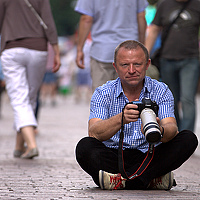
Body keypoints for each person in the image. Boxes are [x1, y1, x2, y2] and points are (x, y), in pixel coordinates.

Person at [75, 40, 198, 190]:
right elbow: (94, 132)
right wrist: (120, 119)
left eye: (137, 64)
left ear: (147, 65)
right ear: (115, 67)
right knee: (84, 147)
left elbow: (172, 128)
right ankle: (149, 179)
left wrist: (160, 130)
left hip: (150, 154)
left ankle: (119, 180)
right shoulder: (103, 92)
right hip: (115, 155)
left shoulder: (161, 90)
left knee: (188, 138)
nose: (132, 70)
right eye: (125, 65)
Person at [0, 0, 61, 159]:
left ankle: (32, 145)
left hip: (12, 48)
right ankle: (19, 146)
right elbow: (48, 21)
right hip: (38, 49)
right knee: (30, 97)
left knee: (19, 99)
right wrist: (55, 49)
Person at [145, 0, 200, 132]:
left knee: (187, 99)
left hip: (190, 60)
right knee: (170, 99)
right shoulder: (164, 4)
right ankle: (174, 134)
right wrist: (144, 54)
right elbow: (154, 30)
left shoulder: (197, 4)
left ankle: (186, 138)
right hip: (166, 59)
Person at [74, 0, 148, 92]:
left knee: (102, 97)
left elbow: (86, 18)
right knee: (130, 96)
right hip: (130, 51)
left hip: (102, 50)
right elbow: (141, 16)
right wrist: (141, 47)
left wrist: (79, 48)